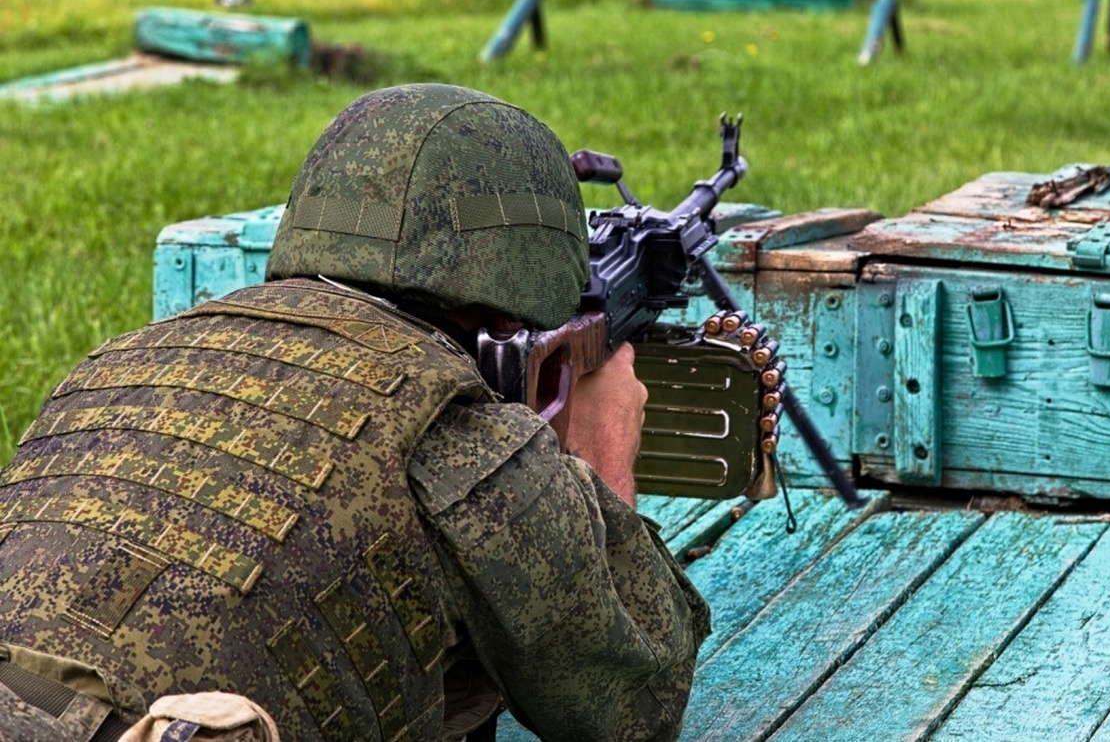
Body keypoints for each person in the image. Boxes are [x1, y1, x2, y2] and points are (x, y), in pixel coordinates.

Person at [0, 83, 711, 741]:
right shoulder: (455, 439)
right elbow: (635, 701)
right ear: (518, 278)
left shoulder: (119, 363)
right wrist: (602, 442)